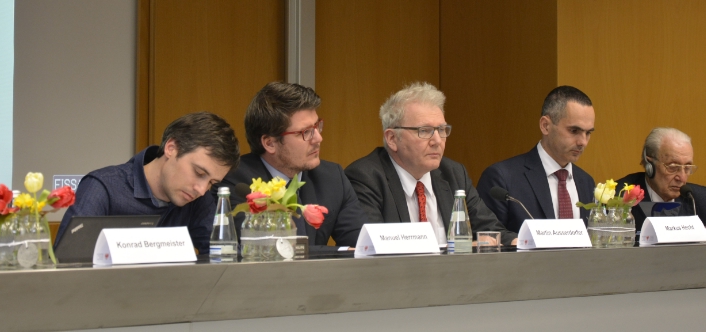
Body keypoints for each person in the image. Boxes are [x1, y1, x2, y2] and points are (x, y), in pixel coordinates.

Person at [345, 82, 516, 246]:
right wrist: (456, 250)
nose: (437, 141)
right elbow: (372, 245)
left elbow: (491, 230)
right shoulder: (366, 177)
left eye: (441, 130)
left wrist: (516, 241)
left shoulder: (454, 173)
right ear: (392, 138)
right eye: (424, 131)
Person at [56, 112, 240, 254]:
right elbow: (67, 265)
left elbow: (225, 260)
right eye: (199, 173)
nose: (201, 189)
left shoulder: (198, 197)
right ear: (171, 148)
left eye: (212, 182)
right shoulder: (103, 188)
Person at [217, 82, 364, 247]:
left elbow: (362, 248)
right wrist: (335, 252)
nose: (318, 138)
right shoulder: (235, 182)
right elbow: (262, 249)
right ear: (270, 143)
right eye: (305, 132)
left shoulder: (332, 178)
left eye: (317, 126)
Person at [477, 86, 596, 234]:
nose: (583, 142)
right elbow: (489, 237)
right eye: (574, 131)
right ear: (545, 126)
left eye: (588, 133)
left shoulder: (586, 182)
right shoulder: (502, 178)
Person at [616, 127, 706, 232]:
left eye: (687, 168)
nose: (682, 178)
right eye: (672, 167)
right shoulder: (618, 197)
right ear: (650, 166)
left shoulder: (700, 200)